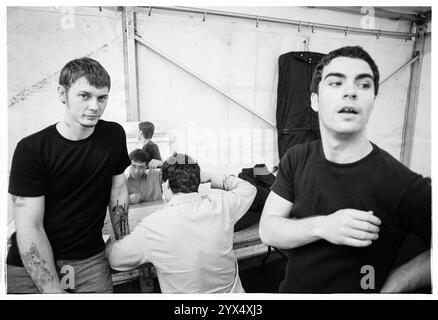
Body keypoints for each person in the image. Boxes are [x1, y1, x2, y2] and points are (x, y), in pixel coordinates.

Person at [259, 46, 431, 293]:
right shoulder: (296, 159)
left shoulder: (401, 184)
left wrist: (395, 285)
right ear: (315, 101)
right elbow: (268, 230)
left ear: (372, 102)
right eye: (336, 83)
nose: (350, 92)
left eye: (363, 85)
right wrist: (323, 226)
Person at [7, 57, 131, 293]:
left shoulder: (113, 136)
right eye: (85, 95)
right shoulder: (31, 149)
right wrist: (53, 290)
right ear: (62, 94)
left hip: (89, 260)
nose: (95, 106)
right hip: (31, 267)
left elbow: (118, 190)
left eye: (102, 97)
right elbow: (29, 227)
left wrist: (124, 243)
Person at [107, 153, 257, 293]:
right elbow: (248, 189)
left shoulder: (151, 227)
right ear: (199, 180)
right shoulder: (222, 206)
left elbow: (115, 259)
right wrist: (211, 177)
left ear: (165, 184)